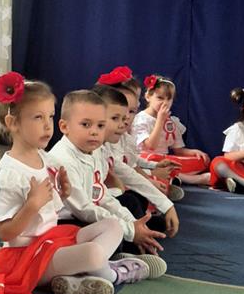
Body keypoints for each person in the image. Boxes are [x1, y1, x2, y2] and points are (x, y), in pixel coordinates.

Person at [0, 72, 156, 294]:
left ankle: (75, 280)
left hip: (52, 241)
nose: (47, 125)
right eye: (38, 117)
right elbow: (5, 233)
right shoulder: (8, 173)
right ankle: (111, 273)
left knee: (113, 225)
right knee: (93, 254)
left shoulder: (44, 158)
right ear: (13, 123)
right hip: (26, 257)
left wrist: (63, 194)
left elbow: (51, 211)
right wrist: (32, 204)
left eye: (50, 116)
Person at [50, 90, 169, 259]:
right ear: (64, 127)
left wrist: (132, 223)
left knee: (125, 209)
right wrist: (129, 230)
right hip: (63, 223)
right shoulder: (63, 160)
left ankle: (134, 247)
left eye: (100, 126)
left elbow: (102, 196)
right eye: (86, 124)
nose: (94, 132)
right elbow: (84, 209)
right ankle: (118, 258)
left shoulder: (94, 151)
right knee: (111, 231)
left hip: (86, 213)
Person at [93, 84, 179, 237]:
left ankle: (141, 227)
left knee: (134, 199)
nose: (124, 121)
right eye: (115, 118)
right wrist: (132, 229)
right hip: (82, 216)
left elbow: (129, 170)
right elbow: (88, 204)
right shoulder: (91, 151)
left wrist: (166, 205)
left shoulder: (105, 148)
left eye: (131, 112)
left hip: (103, 202)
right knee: (129, 201)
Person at [132, 74, 210, 184]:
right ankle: (192, 179)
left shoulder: (172, 121)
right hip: (147, 160)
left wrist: (193, 152)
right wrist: (160, 121)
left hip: (166, 160)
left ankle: (172, 177)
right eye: (160, 98)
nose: (165, 103)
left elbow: (178, 150)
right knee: (152, 159)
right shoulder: (140, 119)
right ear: (148, 97)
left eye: (169, 99)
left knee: (201, 161)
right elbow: (151, 146)